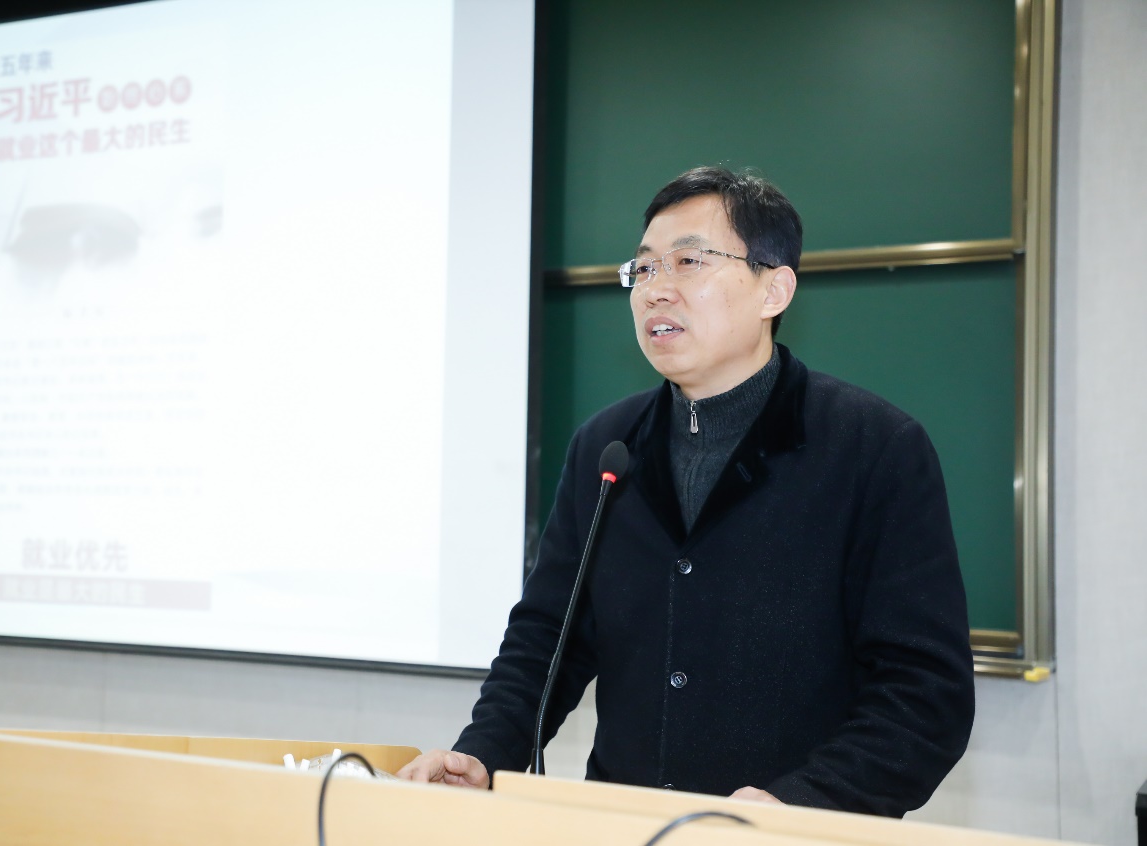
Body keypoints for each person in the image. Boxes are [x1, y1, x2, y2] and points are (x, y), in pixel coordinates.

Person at [397, 166, 975, 817]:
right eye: (643, 269)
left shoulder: (873, 448)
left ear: (774, 289)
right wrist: (482, 753)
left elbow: (925, 696)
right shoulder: (607, 446)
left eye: (688, 262)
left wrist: (799, 802)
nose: (655, 290)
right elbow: (548, 637)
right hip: (622, 824)